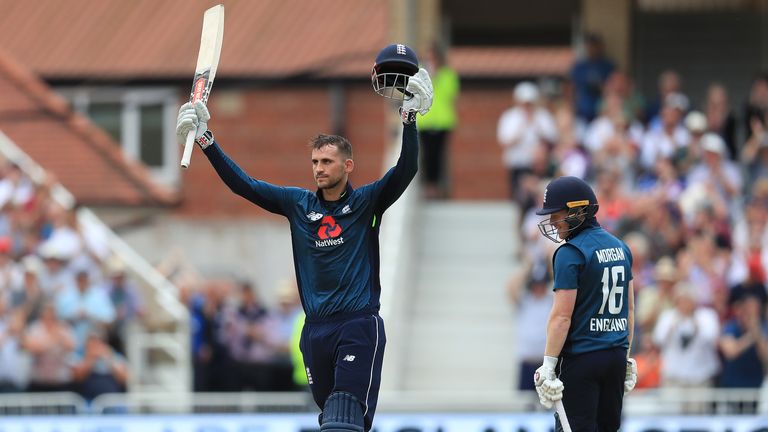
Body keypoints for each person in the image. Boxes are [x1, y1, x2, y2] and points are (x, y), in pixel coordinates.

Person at [175, 44, 432, 432]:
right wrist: (207, 140)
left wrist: (409, 119)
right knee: (336, 420)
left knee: (342, 419)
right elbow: (245, 185)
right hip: (315, 331)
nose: (319, 169)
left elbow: (406, 169)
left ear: (347, 165)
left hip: (357, 324)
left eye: (327, 162)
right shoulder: (297, 203)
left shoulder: (367, 201)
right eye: (314, 162)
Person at [532, 176, 637, 432]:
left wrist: (548, 365)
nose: (554, 224)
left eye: (557, 215)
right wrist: (625, 355)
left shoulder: (570, 253)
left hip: (581, 359)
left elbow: (561, 317)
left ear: (579, 210)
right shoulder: (621, 248)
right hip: (614, 356)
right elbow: (629, 309)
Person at [416, 42, 459, 199]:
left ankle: (438, 186)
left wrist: (437, 77)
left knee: (438, 155)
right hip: (425, 121)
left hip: (442, 121)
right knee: (426, 155)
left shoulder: (448, 74)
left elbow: (451, 93)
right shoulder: (420, 73)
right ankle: (428, 187)